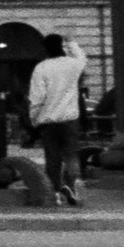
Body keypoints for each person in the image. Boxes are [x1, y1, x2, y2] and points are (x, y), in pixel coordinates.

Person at [27, 33, 85, 206]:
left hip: (49, 121)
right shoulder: (73, 65)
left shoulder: (41, 68)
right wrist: (72, 43)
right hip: (70, 119)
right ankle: (73, 186)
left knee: (52, 158)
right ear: (61, 46)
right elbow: (82, 57)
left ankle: (55, 193)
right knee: (72, 156)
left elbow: (37, 98)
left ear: (45, 48)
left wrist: (34, 120)